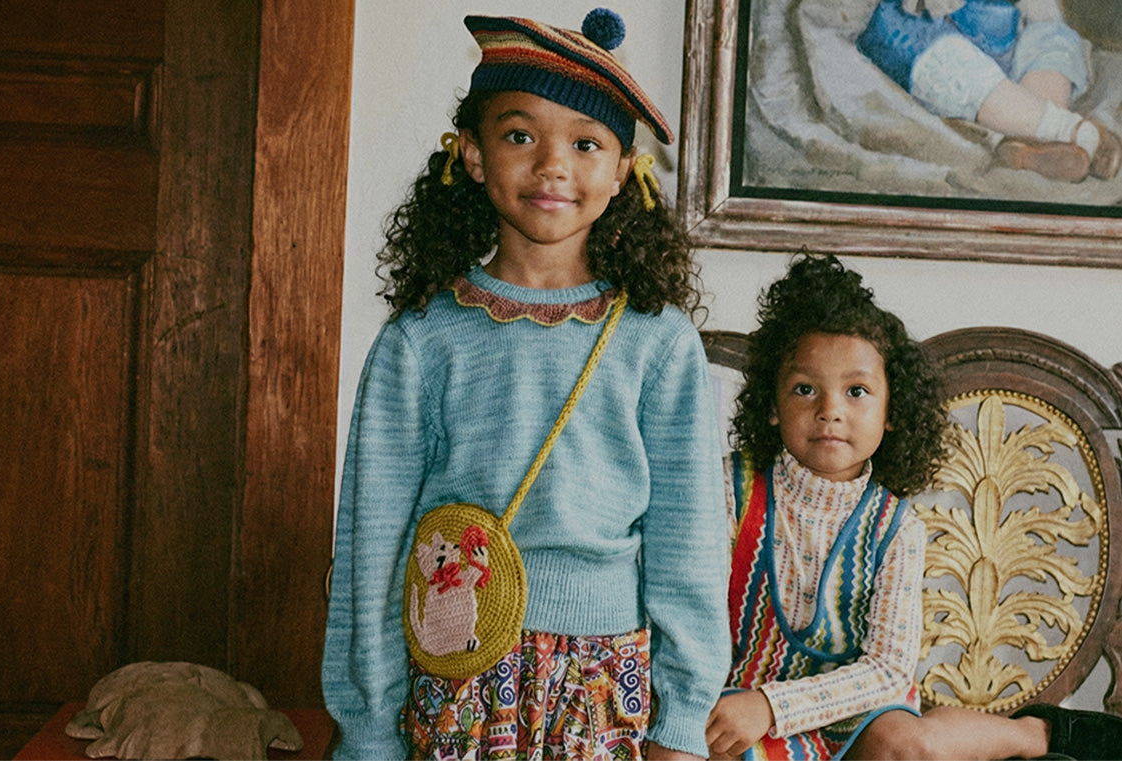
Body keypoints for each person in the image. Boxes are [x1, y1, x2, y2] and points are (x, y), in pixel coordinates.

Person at [321, 9, 730, 761]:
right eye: (519, 136)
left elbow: (691, 547)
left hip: (604, 691)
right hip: (453, 678)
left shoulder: (658, 340)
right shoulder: (420, 339)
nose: (552, 165)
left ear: (623, 171)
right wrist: (369, 729)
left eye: (585, 143)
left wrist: (680, 723)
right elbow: (371, 551)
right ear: (472, 155)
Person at [706, 254, 1122, 760]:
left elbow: (887, 670)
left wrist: (775, 706)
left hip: (856, 710)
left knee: (909, 745)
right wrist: (742, 707)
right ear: (772, 406)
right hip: (741, 702)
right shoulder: (728, 491)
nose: (830, 410)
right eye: (805, 389)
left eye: (857, 391)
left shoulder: (893, 526)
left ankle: (1037, 735)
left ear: (891, 412)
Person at [856, 0, 1122, 183]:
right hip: (924, 28)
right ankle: (1071, 130)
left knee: (1054, 39)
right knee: (954, 63)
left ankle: (1029, 144)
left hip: (1008, 29)